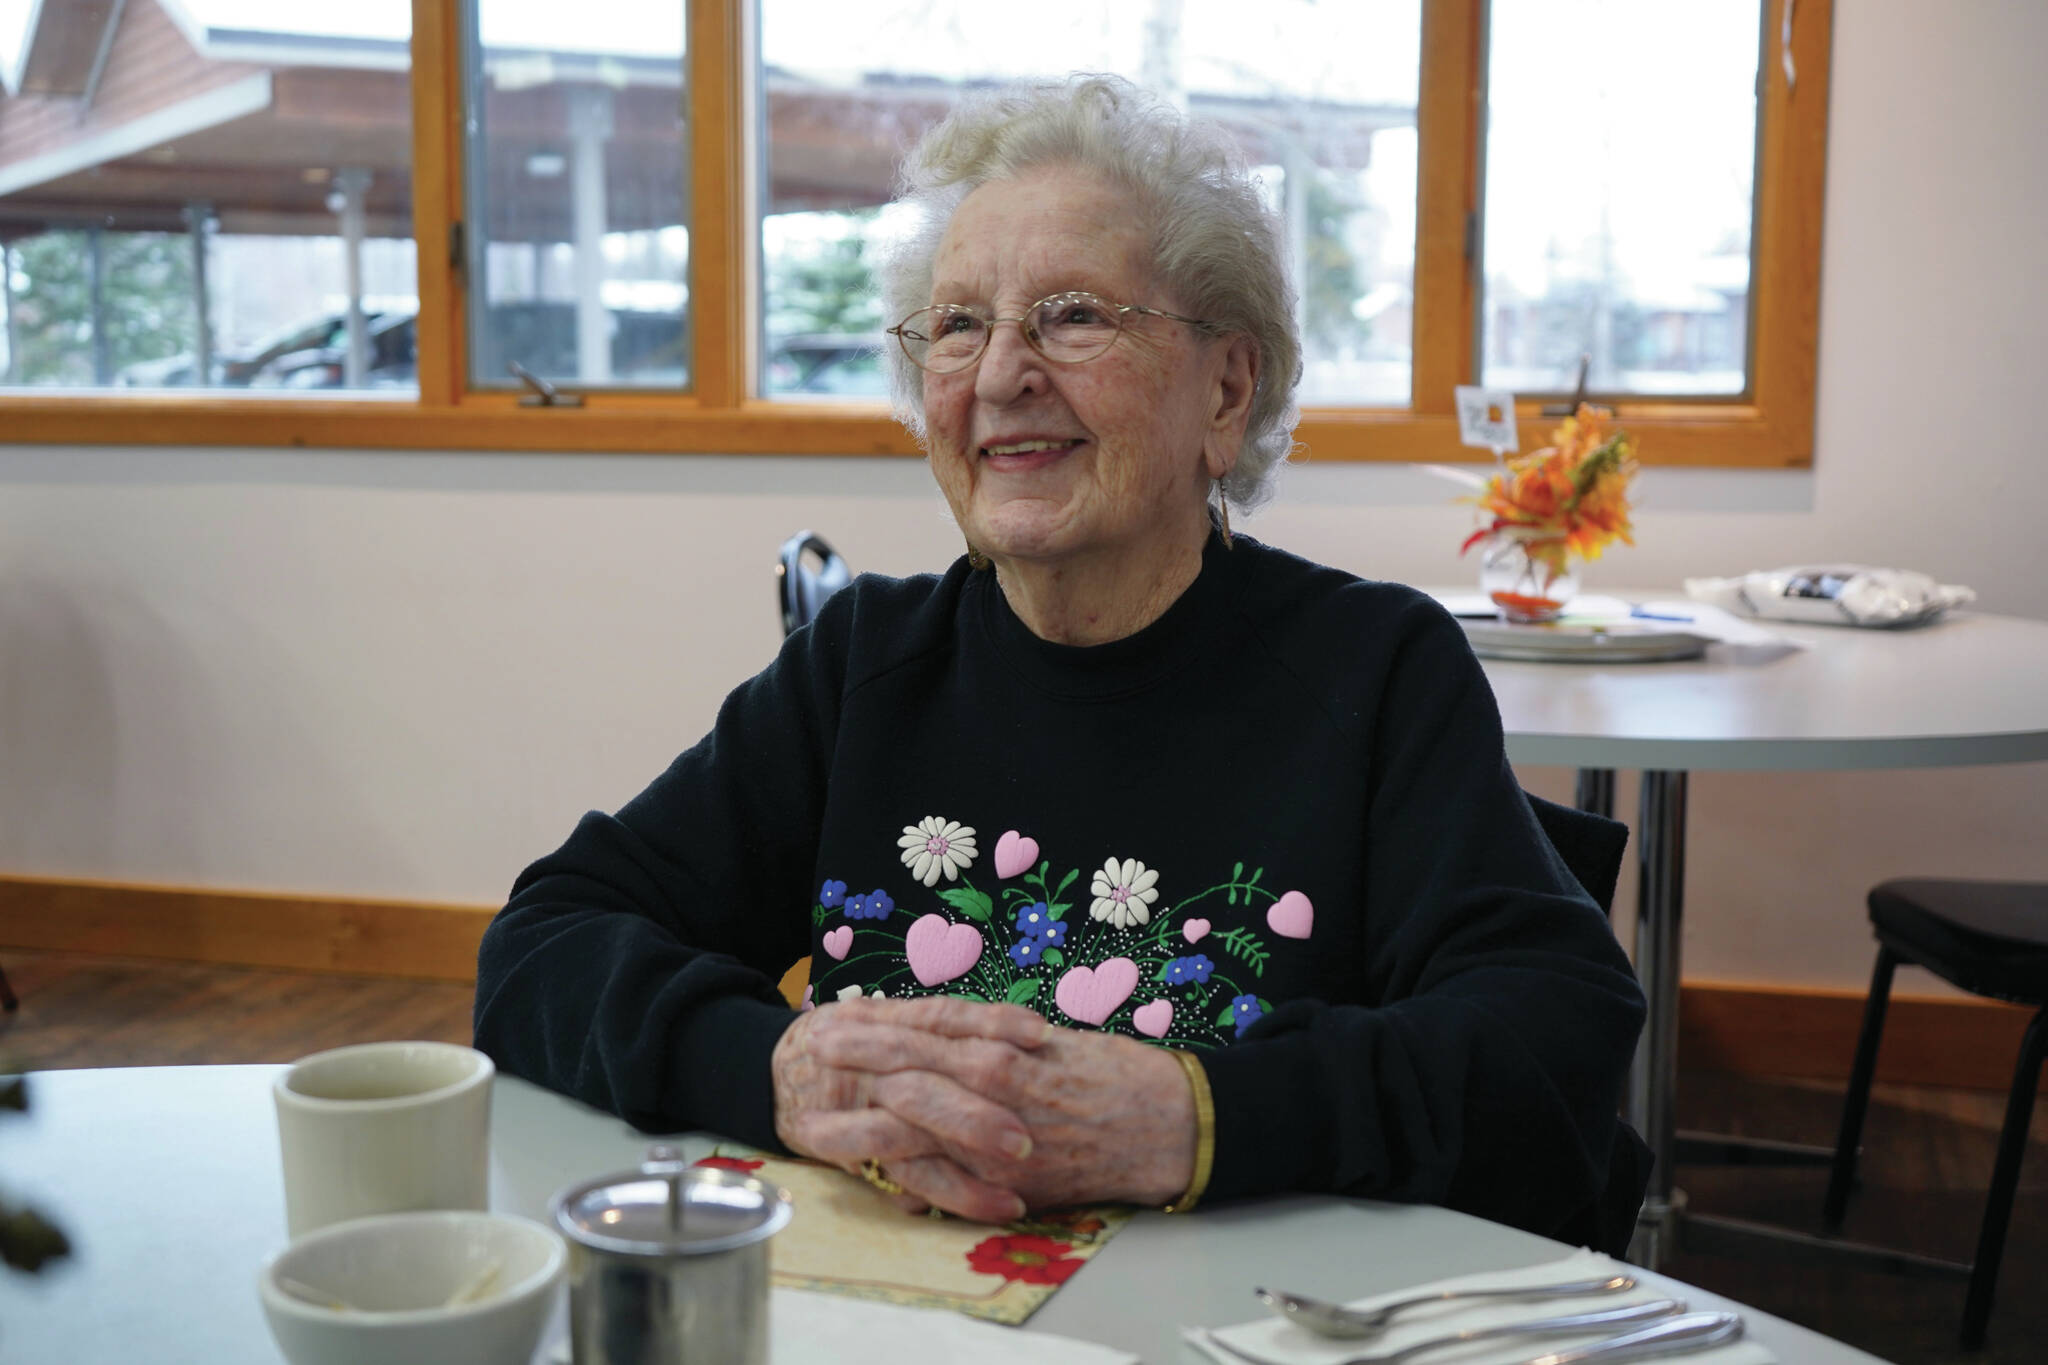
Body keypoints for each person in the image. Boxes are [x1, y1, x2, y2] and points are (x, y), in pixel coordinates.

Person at [474, 75, 1646, 1244]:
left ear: (1225, 389)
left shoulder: (1371, 671)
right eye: (957, 325)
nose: (997, 375)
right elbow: (544, 943)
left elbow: (1553, 1038)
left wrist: (1191, 1117)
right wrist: (778, 1067)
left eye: (1073, 316)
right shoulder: (863, 667)